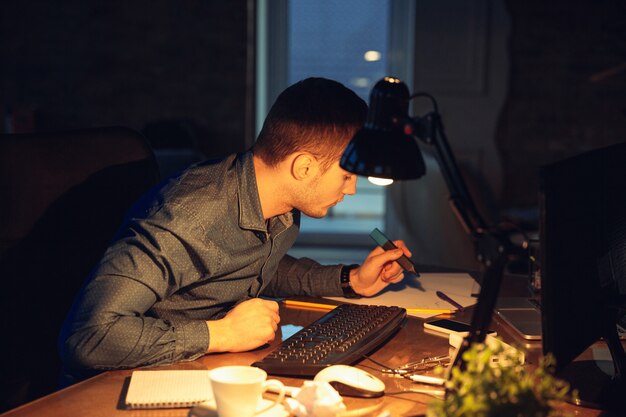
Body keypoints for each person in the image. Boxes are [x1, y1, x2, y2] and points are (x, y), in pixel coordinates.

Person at [59, 77, 412, 384]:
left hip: (206, 368)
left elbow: (252, 264)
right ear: (304, 167)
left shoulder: (283, 207)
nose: (350, 190)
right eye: (347, 175)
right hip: (121, 383)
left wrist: (351, 280)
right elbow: (88, 337)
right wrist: (221, 333)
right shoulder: (187, 217)